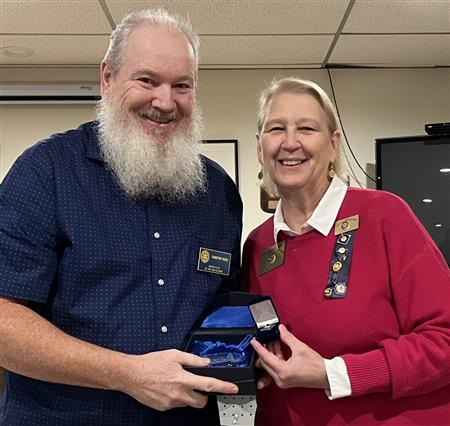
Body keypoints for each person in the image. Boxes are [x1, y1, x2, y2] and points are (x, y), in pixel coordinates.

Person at [0, 8, 242, 426]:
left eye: (181, 85)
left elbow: (224, 309)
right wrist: (128, 374)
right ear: (108, 78)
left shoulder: (217, 190)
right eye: (147, 80)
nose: (165, 102)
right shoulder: (46, 172)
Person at [241, 77, 450, 425]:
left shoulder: (384, 215)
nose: (290, 143)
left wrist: (332, 374)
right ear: (260, 148)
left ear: (334, 144)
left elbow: (445, 339)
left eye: (306, 128)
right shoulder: (257, 245)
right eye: (276, 129)